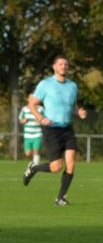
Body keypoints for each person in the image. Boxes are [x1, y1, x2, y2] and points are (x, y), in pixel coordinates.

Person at [23, 55, 87, 205]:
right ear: (54, 67)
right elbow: (32, 104)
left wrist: (79, 113)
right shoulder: (45, 84)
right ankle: (34, 168)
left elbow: (72, 106)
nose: (63, 67)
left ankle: (60, 198)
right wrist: (40, 118)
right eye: (60, 64)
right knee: (56, 167)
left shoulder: (72, 86)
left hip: (67, 129)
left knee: (71, 163)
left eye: (66, 64)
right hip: (51, 129)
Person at [19, 99, 45, 165]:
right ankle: (33, 162)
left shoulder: (41, 109)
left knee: (36, 151)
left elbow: (45, 119)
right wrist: (23, 120)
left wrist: (40, 120)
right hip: (27, 135)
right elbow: (20, 119)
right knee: (28, 153)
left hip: (38, 134)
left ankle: (35, 166)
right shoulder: (24, 109)